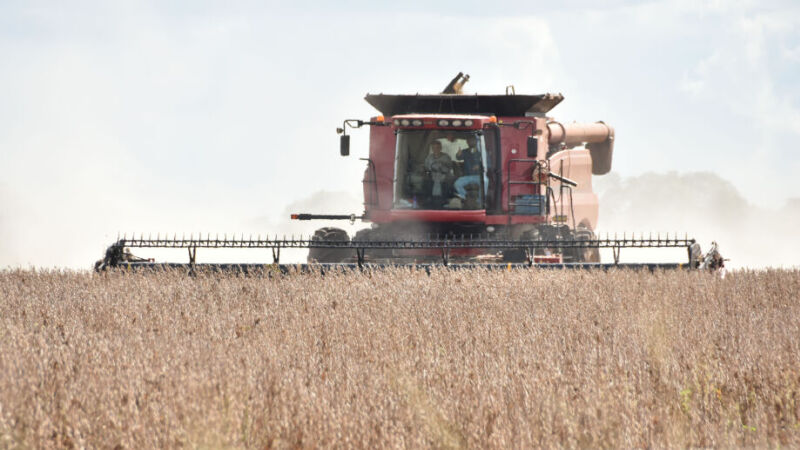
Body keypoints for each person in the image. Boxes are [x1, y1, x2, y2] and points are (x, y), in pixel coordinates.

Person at [453, 135, 485, 201]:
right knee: (457, 184)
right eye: (469, 141)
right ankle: (466, 197)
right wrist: (458, 154)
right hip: (467, 176)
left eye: (472, 140)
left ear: (476, 141)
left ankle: (479, 201)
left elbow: (488, 164)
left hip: (479, 176)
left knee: (486, 182)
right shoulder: (465, 151)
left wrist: (479, 166)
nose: (471, 142)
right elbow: (458, 157)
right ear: (467, 142)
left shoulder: (482, 151)